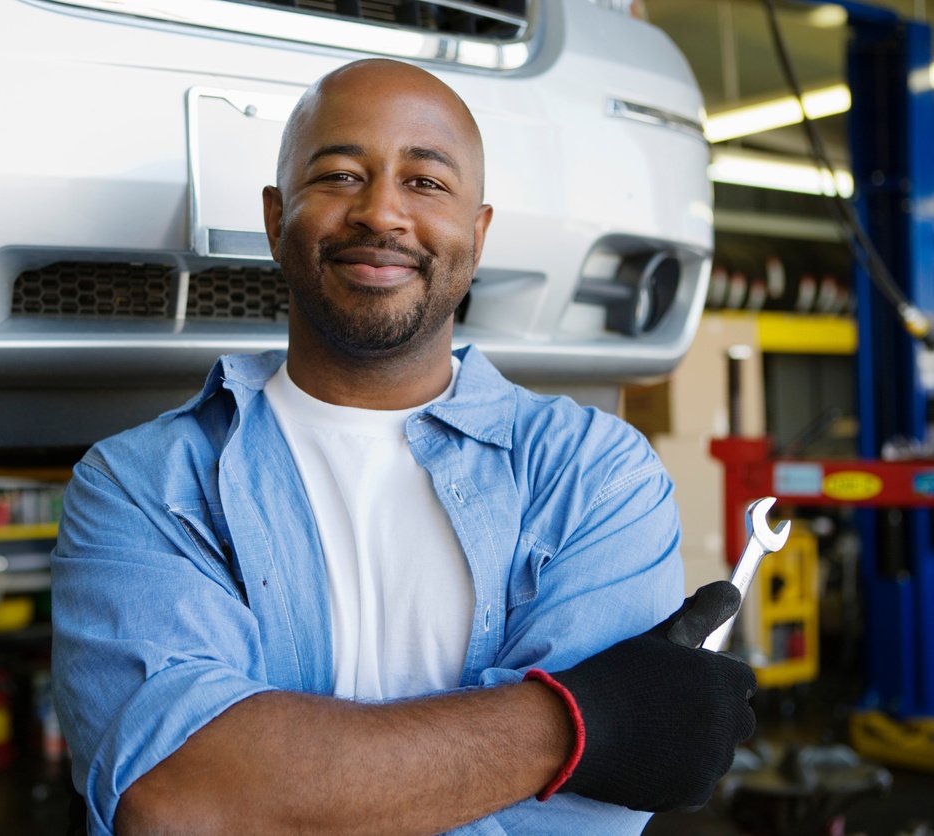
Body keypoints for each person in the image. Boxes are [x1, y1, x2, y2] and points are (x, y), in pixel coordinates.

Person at [52, 58, 756, 835]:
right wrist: (578, 725)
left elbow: (579, 825)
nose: (381, 212)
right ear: (275, 217)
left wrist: (279, 785)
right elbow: (177, 798)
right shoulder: (141, 482)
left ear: (477, 233)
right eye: (340, 175)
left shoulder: (594, 474)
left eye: (425, 182)